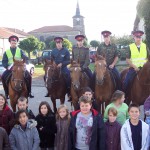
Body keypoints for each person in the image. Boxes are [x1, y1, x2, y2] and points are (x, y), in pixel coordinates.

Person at [123, 30, 149, 94]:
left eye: (140, 37)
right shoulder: (130, 47)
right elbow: (127, 59)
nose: (138, 39)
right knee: (126, 81)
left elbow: (148, 58)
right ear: (134, 38)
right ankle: (125, 96)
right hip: (134, 69)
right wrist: (135, 67)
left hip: (144, 69)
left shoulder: (145, 46)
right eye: (137, 37)